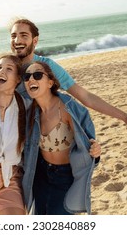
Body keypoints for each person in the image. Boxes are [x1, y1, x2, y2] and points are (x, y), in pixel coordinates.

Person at [9, 18, 127, 137]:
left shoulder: (48, 66)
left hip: (38, 136)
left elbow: (85, 96)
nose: (17, 40)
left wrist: (125, 117)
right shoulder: (3, 69)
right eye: (13, 36)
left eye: (23, 35)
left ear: (35, 41)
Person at [22, 61, 101, 215]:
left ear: (50, 82)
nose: (31, 79)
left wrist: (95, 151)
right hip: (41, 174)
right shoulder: (30, 112)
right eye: (27, 76)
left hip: (65, 176)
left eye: (37, 75)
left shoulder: (67, 107)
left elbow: (88, 141)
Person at [0, 53, 27, 215]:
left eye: (9, 69)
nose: (1, 71)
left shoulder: (24, 106)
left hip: (10, 179)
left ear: (17, 79)